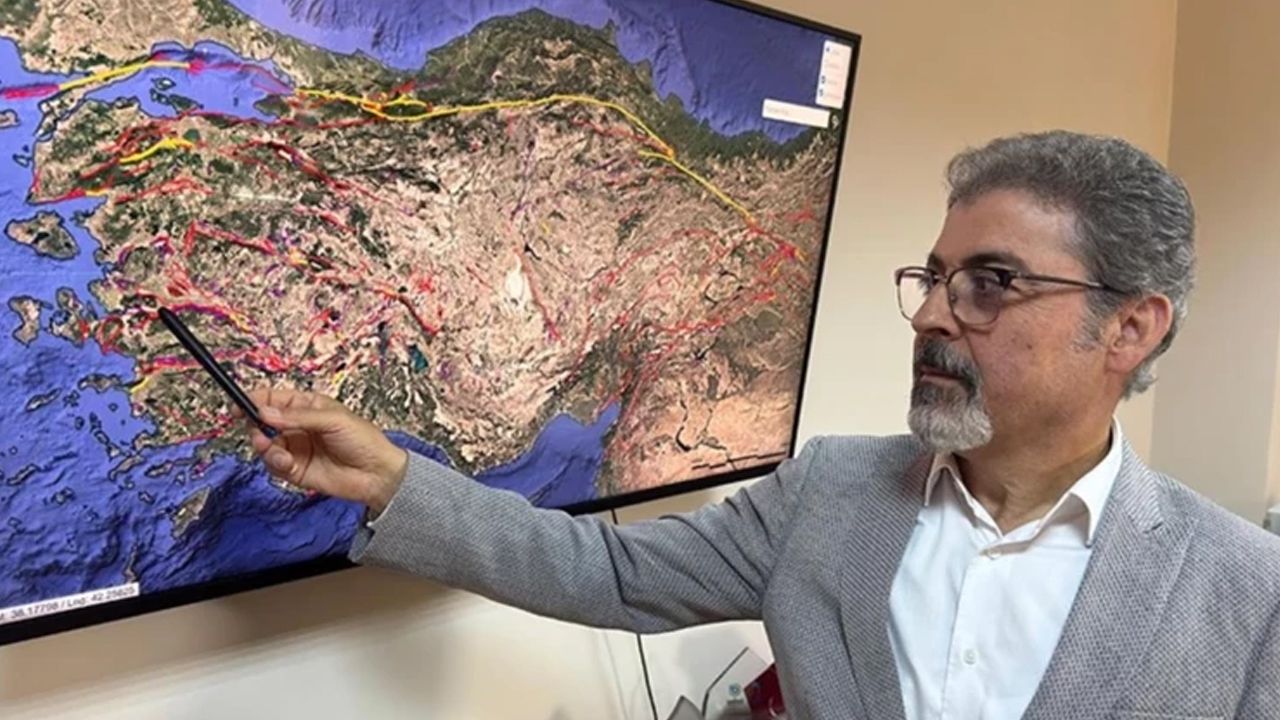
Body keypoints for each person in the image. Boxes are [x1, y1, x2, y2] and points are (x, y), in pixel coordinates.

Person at [244, 131, 1280, 720]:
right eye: (931, 277)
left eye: (990, 283)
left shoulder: (1247, 594)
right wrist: (392, 482)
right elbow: (606, 574)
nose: (931, 313)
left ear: (1130, 328)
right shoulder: (828, 493)